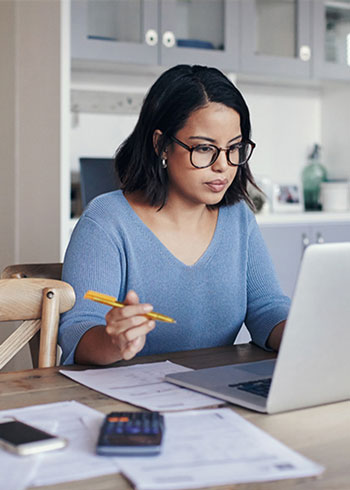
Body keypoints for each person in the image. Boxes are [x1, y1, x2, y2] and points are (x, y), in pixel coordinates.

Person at [59, 64, 290, 366]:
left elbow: (266, 308)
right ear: (161, 145)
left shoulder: (238, 218)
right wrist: (113, 340)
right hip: (125, 402)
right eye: (205, 148)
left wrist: (309, 334)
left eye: (234, 148)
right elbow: (78, 332)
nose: (223, 165)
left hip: (212, 393)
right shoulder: (107, 221)